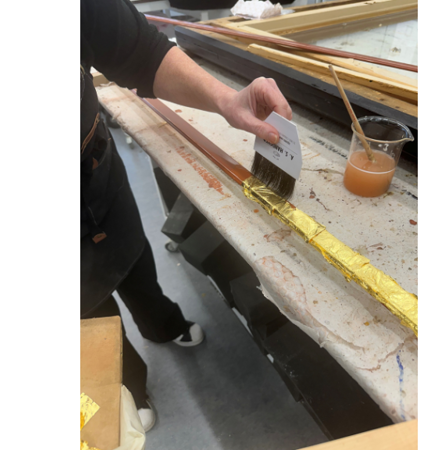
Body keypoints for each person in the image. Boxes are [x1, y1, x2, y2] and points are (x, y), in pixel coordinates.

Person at [80, 0, 293, 432]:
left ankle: (163, 323)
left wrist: (225, 100)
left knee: (135, 256)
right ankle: (127, 381)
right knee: (87, 308)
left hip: (94, 163)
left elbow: (139, 51)